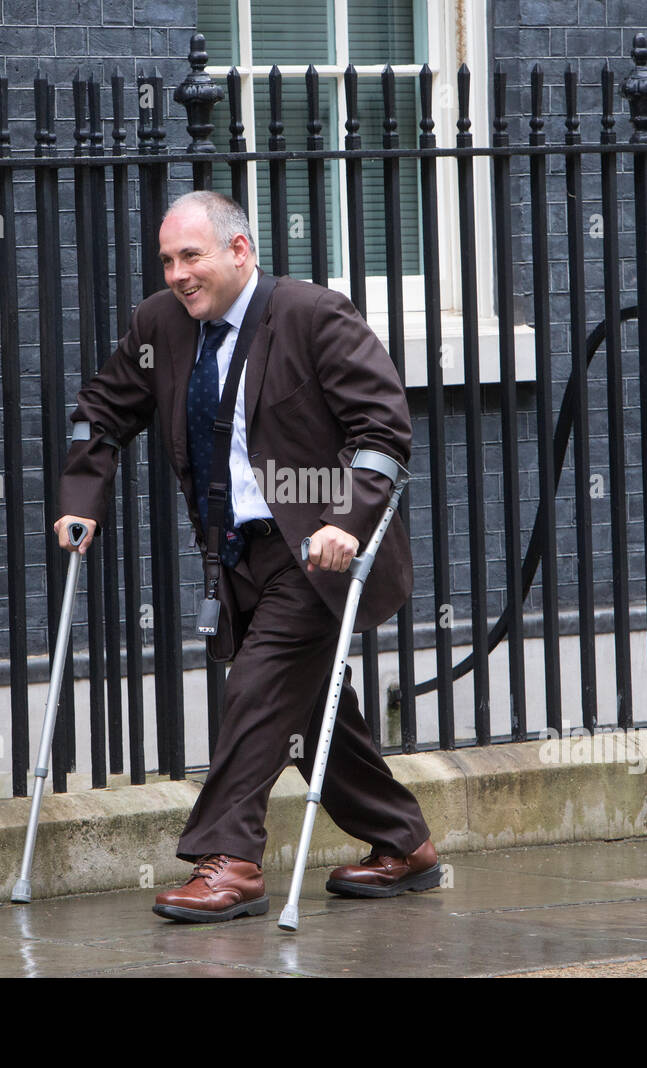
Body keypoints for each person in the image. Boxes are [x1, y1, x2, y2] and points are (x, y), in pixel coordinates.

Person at [54, 190, 438, 922]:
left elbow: (383, 431)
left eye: (190, 256)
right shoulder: (160, 325)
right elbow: (102, 408)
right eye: (167, 259)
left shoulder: (312, 314)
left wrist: (347, 522)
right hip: (234, 553)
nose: (176, 273)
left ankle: (227, 861)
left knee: (259, 689)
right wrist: (81, 496)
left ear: (239, 250)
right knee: (313, 704)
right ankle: (403, 842)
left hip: (317, 552)